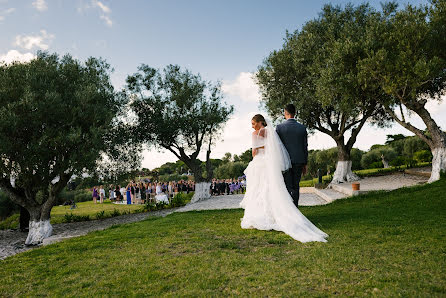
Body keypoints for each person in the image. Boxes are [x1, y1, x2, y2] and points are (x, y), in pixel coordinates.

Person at [240, 113, 328, 243]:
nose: (252, 126)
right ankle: (277, 214)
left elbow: (254, 153)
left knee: (258, 189)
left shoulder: (256, 134)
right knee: (271, 189)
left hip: (260, 164)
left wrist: (257, 150)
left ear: (260, 122)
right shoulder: (270, 132)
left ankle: (261, 216)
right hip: (270, 165)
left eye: (253, 123)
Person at [275, 104, 308, 206]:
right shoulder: (302, 128)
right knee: (296, 186)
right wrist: (305, 163)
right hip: (298, 161)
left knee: (287, 186)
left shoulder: (279, 128)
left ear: (285, 113)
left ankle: (289, 210)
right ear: (295, 113)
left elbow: (277, 147)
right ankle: (295, 208)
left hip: (284, 162)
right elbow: (305, 147)